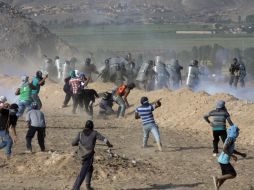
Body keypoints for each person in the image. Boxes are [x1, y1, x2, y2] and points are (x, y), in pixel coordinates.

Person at [72, 120, 113, 190]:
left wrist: (78, 144)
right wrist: (109, 145)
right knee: (82, 173)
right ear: (92, 127)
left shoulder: (80, 133)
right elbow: (105, 140)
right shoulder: (94, 133)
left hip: (81, 155)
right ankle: (75, 188)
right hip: (88, 156)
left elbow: (73, 143)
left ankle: (88, 186)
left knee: (90, 169)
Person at [213, 125, 247, 190]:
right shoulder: (230, 139)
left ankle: (217, 187)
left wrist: (241, 154)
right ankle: (216, 178)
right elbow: (224, 149)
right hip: (224, 160)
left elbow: (231, 150)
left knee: (225, 176)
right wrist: (232, 156)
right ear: (234, 132)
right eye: (237, 132)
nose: (238, 133)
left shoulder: (231, 139)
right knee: (233, 174)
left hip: (222, 160)